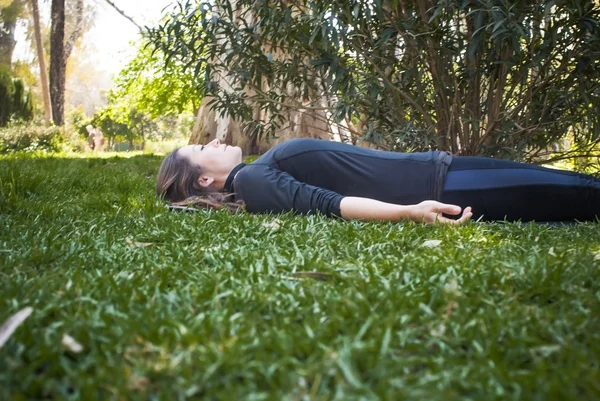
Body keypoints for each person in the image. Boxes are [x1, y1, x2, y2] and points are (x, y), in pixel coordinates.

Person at [156, 138, 600, 224]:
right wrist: (410, 211)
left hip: (446, 170)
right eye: (201, 149)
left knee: (576, 191)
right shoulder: (252, 180)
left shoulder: (258, 172)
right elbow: (328, 203)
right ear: (208, 181)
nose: (213, 139)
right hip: (447, 186)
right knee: (581, 194)